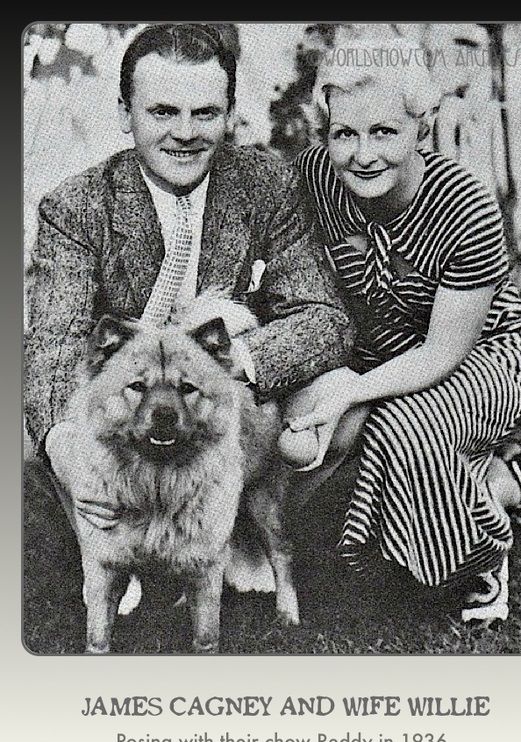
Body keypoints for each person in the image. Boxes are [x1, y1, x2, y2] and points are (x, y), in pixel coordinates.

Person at [281, 36, 521, 624]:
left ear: (419, 131)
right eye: (344, 133)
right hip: (383, 352)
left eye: (384, 132)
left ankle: (480, 557)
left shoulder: (464, 206)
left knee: (401, 423)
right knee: (326, 414)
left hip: (487, 359)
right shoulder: (319, 179)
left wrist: (352, 388)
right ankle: (498, 481)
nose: (362, 154)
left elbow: (440, 355)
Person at [24, 24, 353, 488]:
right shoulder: (76, 206)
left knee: (338, 402)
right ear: (126, 113)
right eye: (162, 112)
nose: (184, 133)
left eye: (204, 114)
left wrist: (230, 360)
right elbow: (54, 347)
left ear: (230, 114)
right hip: (131, 418)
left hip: (227, 405)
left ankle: (261, 534)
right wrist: (66, 449)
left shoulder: (267, 184)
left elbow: (324, 317)